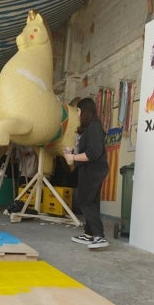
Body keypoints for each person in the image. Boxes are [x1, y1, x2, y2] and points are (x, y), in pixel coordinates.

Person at [63, 98, 109, 249]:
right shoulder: (88, 128)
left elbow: (94, 153)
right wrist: (72, 152)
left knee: (84, 200)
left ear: (84, 111)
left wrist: (73, 157)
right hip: (87, 169)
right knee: (91, 201)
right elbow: (87, 150)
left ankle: (99, 236)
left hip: (94, 170)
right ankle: (89, 234)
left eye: (78, 111)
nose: (76, 114)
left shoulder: (94, 127)